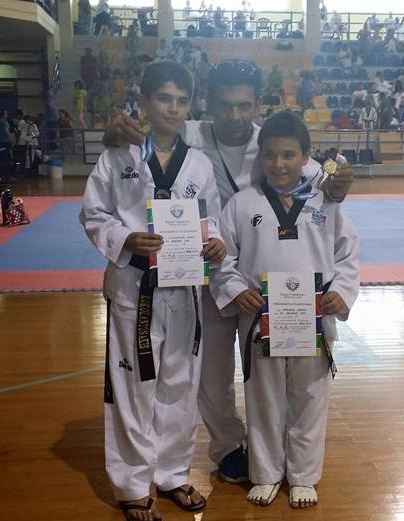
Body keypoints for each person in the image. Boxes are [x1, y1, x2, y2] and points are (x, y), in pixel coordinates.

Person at [103, 59, 355, 486]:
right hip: (199, 273)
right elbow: (140, 140)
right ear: (207, 105)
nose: (235, 115)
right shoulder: (188, 133)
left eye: (244, 105)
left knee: (279, 373)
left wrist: (340, 181)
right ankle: (228, 447)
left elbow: (320, 184)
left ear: (256, 104)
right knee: (210, 374)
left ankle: (284, 452)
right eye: (224, 105)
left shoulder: (271, 141)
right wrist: (114, 135)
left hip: (260, 283)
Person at [80, 60, 225, 521]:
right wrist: (125, 238)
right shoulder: (118, 156)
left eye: (182, 101)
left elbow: (212, 218)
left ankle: (172, 473)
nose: (173, 108)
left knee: (180, 384)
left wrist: (216, 241)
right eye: (164, 98)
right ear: (144, 102)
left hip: (184, 288)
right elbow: (94, 214)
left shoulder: (199, 164)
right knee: (133, 386)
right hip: (133, 286)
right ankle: (132, 484)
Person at [210, 111, 359, 508]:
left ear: (306, 157)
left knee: (310, 396)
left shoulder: (326, 202)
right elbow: (222, 259)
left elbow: (346, 255)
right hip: (260, 316)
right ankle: (266, 472)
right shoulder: (242, 204)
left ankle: (304, 476)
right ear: (260, 156)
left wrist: (341, 293)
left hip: (313, 316)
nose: (278, 164)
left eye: (289, 155)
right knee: (263, 397)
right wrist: (235, 289)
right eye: (270, 155)